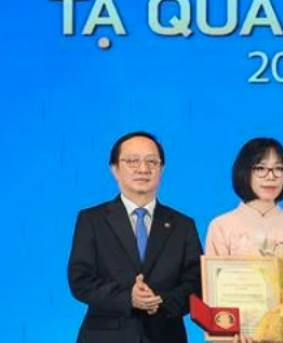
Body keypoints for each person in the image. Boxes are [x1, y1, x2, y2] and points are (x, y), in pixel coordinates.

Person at [68, 131, 203, 343]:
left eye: (152, 162)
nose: (143, 169)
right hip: (105, 336)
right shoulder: (92, 219)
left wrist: (160, 301)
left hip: (166, 335)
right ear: (114, 169)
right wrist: (128, 297)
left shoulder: (182, 225)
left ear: (162, 169)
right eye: (132, 161)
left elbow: (196, 283)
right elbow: (80, 280)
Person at [204, 137, 283, 343]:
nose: (270, 177)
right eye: (261, 168)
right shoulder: (221, 226)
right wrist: (230, 333)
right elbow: (214, 294)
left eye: (278, 169)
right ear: (245, 172)